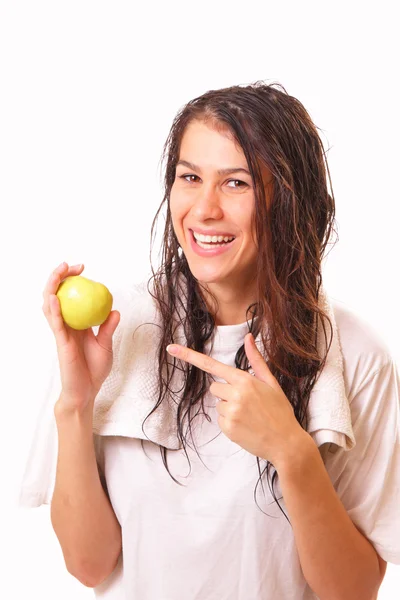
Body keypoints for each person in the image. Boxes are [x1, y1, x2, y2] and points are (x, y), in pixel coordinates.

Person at [22, 81, 400, 599]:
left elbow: (353, 591)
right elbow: (89, 564)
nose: (203, 209)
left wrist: (293, 452)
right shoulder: (113, 332)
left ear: (290, 201)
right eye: (190, 177)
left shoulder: (357, 359)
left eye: (236, 183)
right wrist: (76, 402)